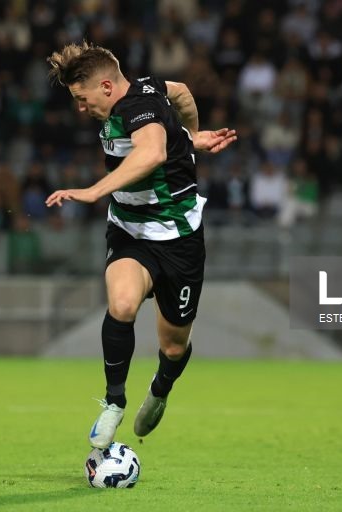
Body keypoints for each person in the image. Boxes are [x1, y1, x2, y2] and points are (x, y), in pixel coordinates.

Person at [45, 41, 236, 448]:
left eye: (82, 99)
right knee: (122, 304)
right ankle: (114, 402)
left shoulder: (138, 108)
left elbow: (151, 154)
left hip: (179, 237)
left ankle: (161, 389)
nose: (81, 108)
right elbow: (181, 91)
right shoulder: (148, 88)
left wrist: (94, 191)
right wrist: (192, 135)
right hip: (130, 230)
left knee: (173, 347)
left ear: (107, 87)